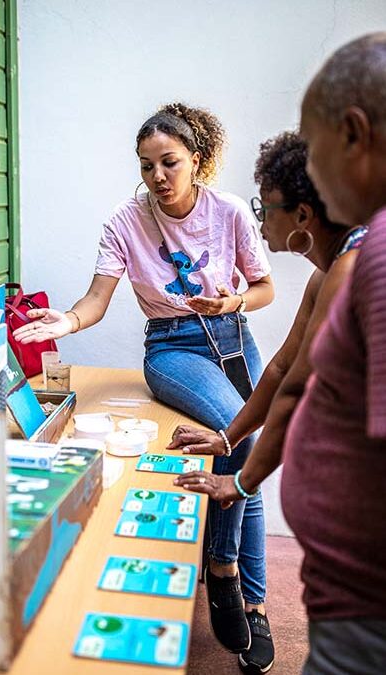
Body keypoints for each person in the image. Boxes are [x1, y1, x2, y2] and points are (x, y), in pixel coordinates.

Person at [14, 103, 275, 661]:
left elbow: (264, 288)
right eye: (146, 165)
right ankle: (224, 568)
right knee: (241, 433)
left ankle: (256, 606)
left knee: (248, 462)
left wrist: (234, 299)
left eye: (169, 163)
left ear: (196, 160)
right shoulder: (125, 221)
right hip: (173, 347)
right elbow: (96, 300)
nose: (157, 176)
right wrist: (66, 320)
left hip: (233, 337)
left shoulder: (229, 212)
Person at [179, 32, 386, 673]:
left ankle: (239, 583)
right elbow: (285, 374)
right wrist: (230, 445)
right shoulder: (337, 270)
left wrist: (238, 481)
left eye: (314, 146)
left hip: (366, 599)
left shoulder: (366, 265)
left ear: (350, 135)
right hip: (343, 590)